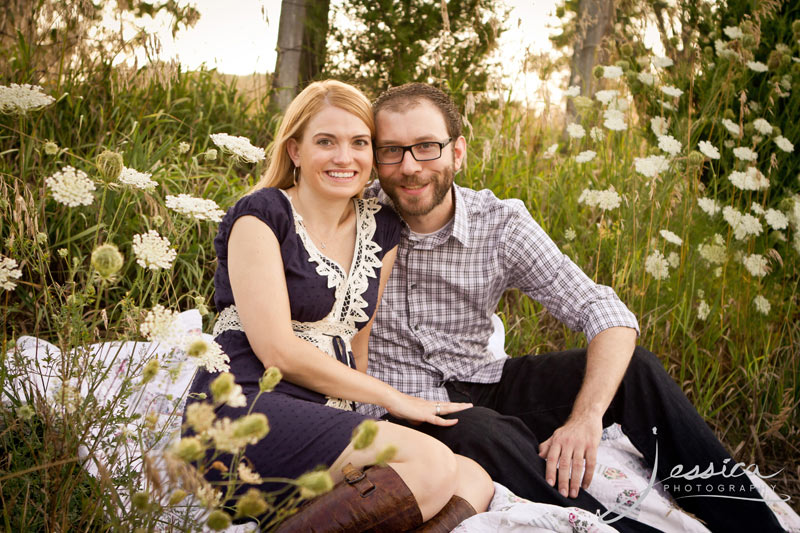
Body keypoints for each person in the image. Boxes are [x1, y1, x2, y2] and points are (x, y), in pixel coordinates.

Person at [358, 82, 787, 533]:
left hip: (484, 378)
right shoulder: (354, 214)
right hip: (406, 406)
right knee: (478, 431)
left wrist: (585, 418)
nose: (409, 167)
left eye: (426, 147)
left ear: (458, 152)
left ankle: (755, 526)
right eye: (391, 150)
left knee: (634, 369)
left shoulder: (500, 224)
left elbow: (604, 311)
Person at [183, 80, 494, 532]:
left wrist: (366, 414)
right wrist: (395, 401)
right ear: (295, 150)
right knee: (430, 464)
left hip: (324, 415)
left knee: (472, 477)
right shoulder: (263, 214)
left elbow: (357, 343)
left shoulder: (382, 228)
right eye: (325, 142)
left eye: (359, 143)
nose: (344, 157)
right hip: (245, 404)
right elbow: (278, 353)